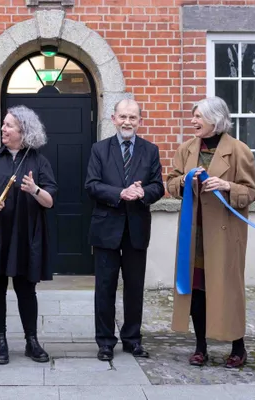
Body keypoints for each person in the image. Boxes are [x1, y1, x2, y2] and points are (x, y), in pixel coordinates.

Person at [166, 96, 255, 368]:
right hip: (194, 233)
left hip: (225, 234)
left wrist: (227, 187)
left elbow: (251, 192)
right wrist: (184, 180)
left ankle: (238, 346)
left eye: (198, 117)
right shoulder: (186, 149)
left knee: (229, 289)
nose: (193, 121)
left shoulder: (239, 150)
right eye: (193, 116)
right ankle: (200, 346)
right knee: (196, 289)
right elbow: (171, 183)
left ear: (215, 120)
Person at [0, 105, 57, 365]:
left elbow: (50, 201)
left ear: (23, 131)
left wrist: (35, 189)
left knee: (26, 289)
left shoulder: (38, 161)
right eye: (4, 124)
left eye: (9, 125)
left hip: (25, 233)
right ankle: (1, 341)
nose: (3, 129)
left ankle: (31, 341)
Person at [85, 99, 164, 361]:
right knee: (105, 287)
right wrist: (120, 192)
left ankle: (132, 339)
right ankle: (105, 341)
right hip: (106, 227)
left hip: (136, 229)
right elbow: (92, 185)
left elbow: (158, 186)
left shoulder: (150, 150)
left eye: (133, 117)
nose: (127, 122)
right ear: (113, 119)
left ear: (140, 121)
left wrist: (142, 192)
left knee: (134, 287)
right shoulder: (99, 149)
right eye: (123, 117)